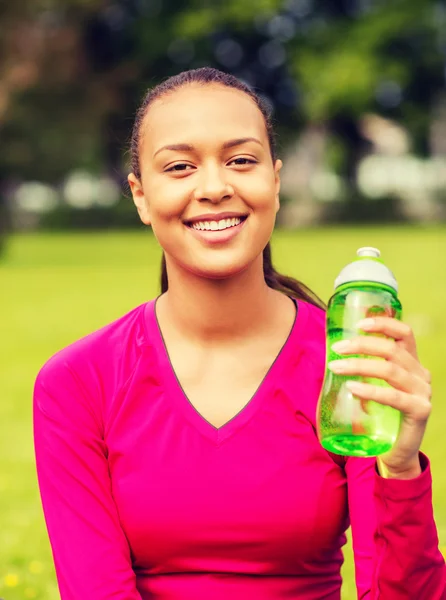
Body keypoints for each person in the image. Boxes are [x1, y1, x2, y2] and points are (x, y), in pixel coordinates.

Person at [33, 67, 446, 600]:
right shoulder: (78, 382)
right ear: (139, 195)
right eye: (180, 167)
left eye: (241, 161)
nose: (214, 187)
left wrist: (401, 469)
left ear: (274, 180)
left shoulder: (349, 364)